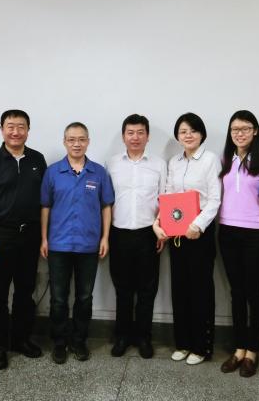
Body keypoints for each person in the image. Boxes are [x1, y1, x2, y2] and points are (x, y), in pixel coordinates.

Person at [0, 110, 47, 370]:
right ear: (2, 129)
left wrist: (43, 237)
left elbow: (44, 202)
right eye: (10, 126)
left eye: (21, 126)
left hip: (30, 236)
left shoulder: (37, 159)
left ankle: (20, 340)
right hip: (0, 236)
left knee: (25, 292)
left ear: (28, 130)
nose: (16, 132)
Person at [40, 122, 114, 364]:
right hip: (58, 245)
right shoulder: (53, 172)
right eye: (71, 139)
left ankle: (79, 341)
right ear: (64, 142)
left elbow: (106, 206)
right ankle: (59, 343)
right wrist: (44, 238)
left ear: (88, 142)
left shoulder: (98, 173)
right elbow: (45, 207)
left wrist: (105, 237)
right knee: (58, 298)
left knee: (84, 297)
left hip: (88, 246)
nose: (76, 144)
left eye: (81, 139)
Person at [153, 112, 221, 366]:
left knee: (200, 289)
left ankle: (201, 347)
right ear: (178, 136)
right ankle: (182, 343)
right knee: (179, 288)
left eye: (193, 130)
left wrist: (198, 225)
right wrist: (158, 222)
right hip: (177, 232)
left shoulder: (210, 159)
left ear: (201, 134)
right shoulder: (175, 161)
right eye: (183, 131)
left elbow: (214, 199)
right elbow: (169, 195)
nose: (188, 135)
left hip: (200, 233)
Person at [106, 114, 167, 359]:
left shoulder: (159, 164)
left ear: (148, 136)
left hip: (148, 234)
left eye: (140, 132)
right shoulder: (111, 164)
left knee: (146, 290)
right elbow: (106, 201)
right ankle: (122, 336)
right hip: (118, 233)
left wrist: (162, 230)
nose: (135, 137)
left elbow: (164, 199)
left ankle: (143, 337)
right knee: (122, 289)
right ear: (123, 136)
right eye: (130, 133)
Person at [217, 110, 259, 378]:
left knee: (254, 292)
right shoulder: (224, 160)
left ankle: (253, 351)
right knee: (236, 292)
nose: (239, 133)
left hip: (256, 233)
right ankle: (239, 348)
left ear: (255, 131)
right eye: (234, 129)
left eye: (245, 128)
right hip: (227, 231)